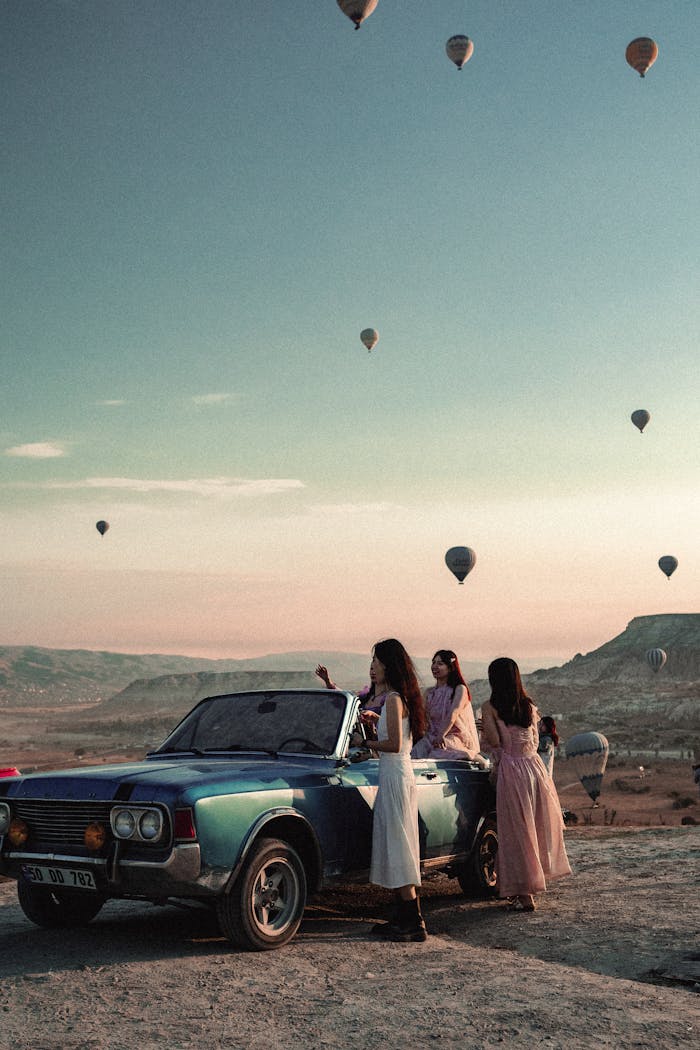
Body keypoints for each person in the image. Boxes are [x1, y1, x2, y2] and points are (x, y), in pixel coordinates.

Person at [480, 657, 571, 912]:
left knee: (515, 831)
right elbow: (532, 739)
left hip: (512, 769)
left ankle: (523, 893)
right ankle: (532, 883)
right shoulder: (529, 706)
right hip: (535, 769)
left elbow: (496, 742)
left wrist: (483, 730)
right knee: (535, 827)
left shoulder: (490, 707)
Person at [362, 638, 427, 941]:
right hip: (394, 774)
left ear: (388, 664)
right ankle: (403, 917)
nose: (372, 667)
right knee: (396, 841)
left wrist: (364, 742)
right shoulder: (396, 699)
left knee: (398, 843)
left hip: (395, 775)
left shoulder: (392, 699)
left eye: (376, 661)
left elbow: (393, 745)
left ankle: (413, 922)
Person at [411, 649, 484, 762]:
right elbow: (422, 717)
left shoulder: (459, 689)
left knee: (438, 754)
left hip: (453, 736)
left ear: (450, 668)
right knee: (414, 754)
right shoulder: (429, 693)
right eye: (433, 662)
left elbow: (453, 713)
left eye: (440, 663)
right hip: (432, 737)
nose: (434, 666)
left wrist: (441, 735)